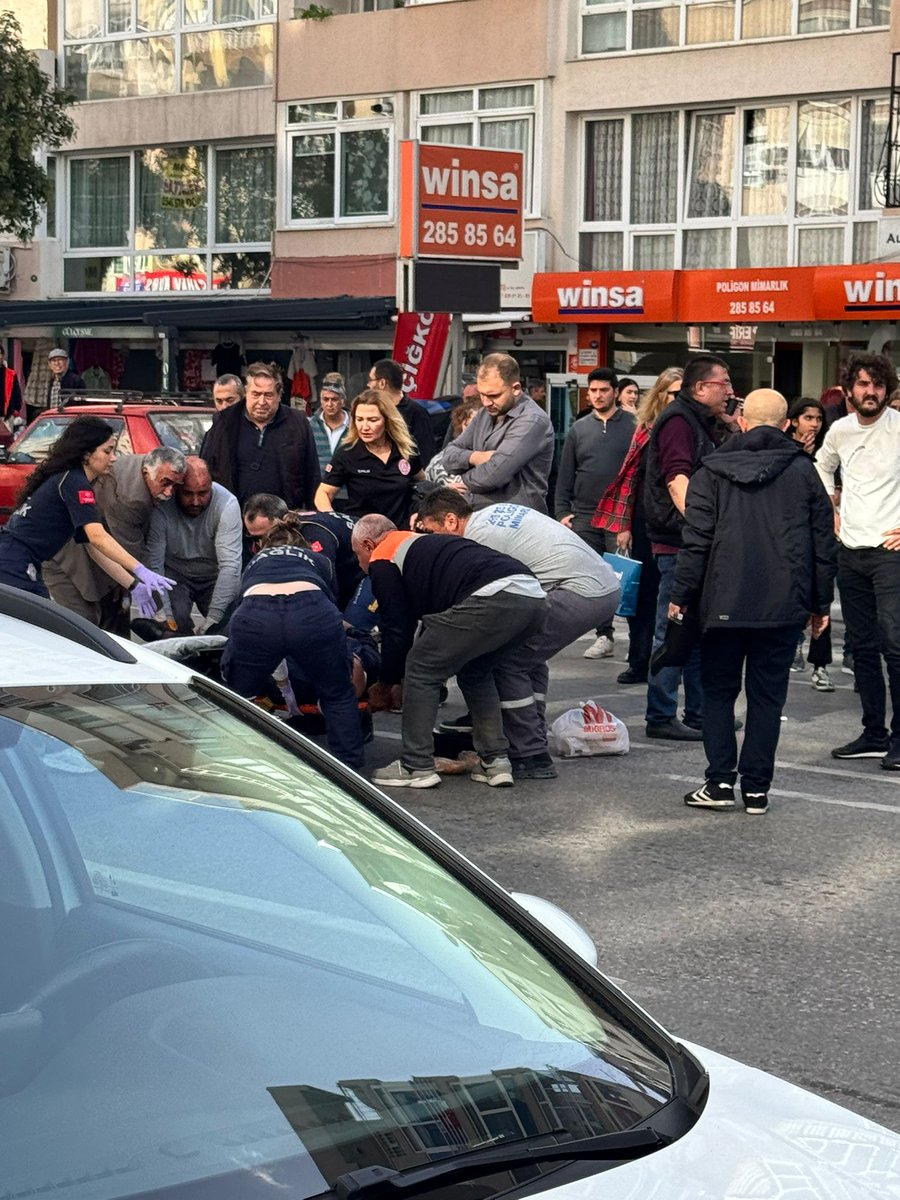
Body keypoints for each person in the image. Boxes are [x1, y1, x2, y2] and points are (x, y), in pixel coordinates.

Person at [670, 389, 837, 814]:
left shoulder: (711, 470)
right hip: (784, 605)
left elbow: (696, 541)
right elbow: (822, 545)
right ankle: (758, 789)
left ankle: (720, 783)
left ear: (743, 421)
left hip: (721, 601)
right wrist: (820, 606)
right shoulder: (804, 472)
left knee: (718, 694)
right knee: (768, 699)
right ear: (786, 425)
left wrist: (681, 596)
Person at [416, 490, 620, 780]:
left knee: (507, 661)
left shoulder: (477, 540)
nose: (436, 544)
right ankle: (530, 736)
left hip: (578, 591)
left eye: (434, 533)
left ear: (451, 521)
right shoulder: (492, 514)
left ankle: (529, 754)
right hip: (602, 586)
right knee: (530, 657)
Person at [353, 514, 547, 789]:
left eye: (357, 554)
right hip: (533, 597)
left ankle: (416, 765)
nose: (360, 564)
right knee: (476, 671)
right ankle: (495, 761)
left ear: (368, 544)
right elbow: (431, 625)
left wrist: (386, 683)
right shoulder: (423, 546)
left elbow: (398, 628)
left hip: (492, 596)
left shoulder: (383, 557)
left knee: (421, 669)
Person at [221, 514, 364, 771]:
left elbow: (241, 600)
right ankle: (350, 770)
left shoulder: (254, 560)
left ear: (265, 546)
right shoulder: (319, 559)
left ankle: (233, 762)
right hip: (311, 611)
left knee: (236, 693)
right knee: (337, 693)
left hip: (256, 614)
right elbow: (331, 603)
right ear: (302, 545)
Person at [642, 353, 733, 741]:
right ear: (701, 388)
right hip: (679, 543)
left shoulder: (701, 420)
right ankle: (661, 714)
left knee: (697, 631)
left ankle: (699, 712)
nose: (730, 391)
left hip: (690, 542)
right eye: (723, 383)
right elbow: (677, 480)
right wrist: (700, 526)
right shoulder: (679, 420)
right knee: (673, 629)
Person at [816, 353, 900, 769]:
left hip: (891, 553)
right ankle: (873, 733)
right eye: (863, 385)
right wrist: (829, 505)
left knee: (896, 645)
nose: (871, 392)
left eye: (878, 385)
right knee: (862, 649)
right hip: (850, 550)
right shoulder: (840, 430)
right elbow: (820, 466)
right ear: (849, 390)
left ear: (888, 389)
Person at [0, 415, 173, 613]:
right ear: (86, 454)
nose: (114, 458)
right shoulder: (75, 482)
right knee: (37, 629)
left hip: (19, 558)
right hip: (13, 561)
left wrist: (133, 585)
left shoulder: (70, 478)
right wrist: (140, 570)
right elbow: (98, 537)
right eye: (107, 451)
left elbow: (93, 547)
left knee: (43, 627)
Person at [592, 368, 682, 684]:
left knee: (673, 598)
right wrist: (624, 524)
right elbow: (630, 480)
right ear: (660, 395)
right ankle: (639, 661)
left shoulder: (689, 428)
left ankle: (669, 664)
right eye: (672, 393)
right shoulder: (645, 428)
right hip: (644, 523)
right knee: (641, 596)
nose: (678, 400)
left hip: (679, 526)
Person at [44, 446, 187, 631]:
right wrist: (160, 609)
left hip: (99, 542)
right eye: (165, 483)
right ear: (146, 472)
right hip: (69, 548)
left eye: (175, 486)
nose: (169, 493)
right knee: (85, 622)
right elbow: (131, 551)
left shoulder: (151, 464)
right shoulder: (130, 498)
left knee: (116, 611)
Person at [554, 366, 636, 660]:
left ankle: (637, 643)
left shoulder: (633, 425)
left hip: (620, 517)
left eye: (603, 390)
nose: (598, 395)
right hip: (585, 516)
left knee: (625, 580)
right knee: (594, 577)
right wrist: (563, 511)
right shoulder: (579, 429)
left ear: (615, 391)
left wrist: (632, 517)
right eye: (593, 390)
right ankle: (605, 636)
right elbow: (564, 474)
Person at [441, 353, 554, 513]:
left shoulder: (532, 420)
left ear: (516, 389)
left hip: (517, 519)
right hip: (478, 514)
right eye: (482, 394)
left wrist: (463, 478)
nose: (486, 402)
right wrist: (477, 457)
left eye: (494, 395)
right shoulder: (484, 413)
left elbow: (492, 476)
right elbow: (448, 456)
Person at [201, 360, 320, 508]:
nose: (261, 402)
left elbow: (312, 474)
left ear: (279, 395)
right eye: (256, 394)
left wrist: (313, 517)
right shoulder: (225, 422)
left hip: (284, 519)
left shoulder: (298, 423)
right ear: (246, 393)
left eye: (268, 395)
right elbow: (206, 469)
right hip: (234, 517)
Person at [146, 457, 242, 634]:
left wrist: (213, 619)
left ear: (211, 486)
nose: (196, 502)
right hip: (175, 575)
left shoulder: (227, 504)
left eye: (203, 493)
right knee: (174, 624)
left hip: (214, 576)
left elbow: (230, 567)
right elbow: (154, 562)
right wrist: (166, 613)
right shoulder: (162, 504)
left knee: (229, 626)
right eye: (188, 493)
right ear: (177, 488)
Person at [315, 389, 424, 528]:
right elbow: (323, 493)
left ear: (387, 420)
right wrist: (335, 522)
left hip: (401, 533)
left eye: (372, 420)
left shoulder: (406, 448)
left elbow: (422, 483)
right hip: (364, 536)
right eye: (359, 419)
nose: (364, 427)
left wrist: (421, 511)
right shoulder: (348, 452)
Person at [787, 396, 833, 690]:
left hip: (825, 532)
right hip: (795, 534)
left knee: (822, 596)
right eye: (808, 418)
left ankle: (821, 665)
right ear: (793, 420)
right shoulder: (787, 451)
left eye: (817, 419)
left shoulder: (827, 452)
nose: (814, 424)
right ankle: (794, 646)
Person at [368, 359, 436, 468]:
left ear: (382, 383)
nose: (369, 385)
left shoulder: (417, 413)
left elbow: (426, 453)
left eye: (371, 380)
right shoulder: (371, 410)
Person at [424, 395, 481, 488]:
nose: (472, 431)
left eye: (479, 426)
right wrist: (444, 490)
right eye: (467, 425)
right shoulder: (440, 460)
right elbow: (425, 489)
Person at [309, 377, 350, 477]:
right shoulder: (310, 425)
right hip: (317, 487)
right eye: (326, 399)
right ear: (321, 401)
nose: (329, 404)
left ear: (342, 401)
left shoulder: (355, 426)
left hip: (347, 488)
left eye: (334, 399)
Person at [39, 348, 85, 422]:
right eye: (54, 361)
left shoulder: (76, 380)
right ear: (50, 364)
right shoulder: (51, 381)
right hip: (53, 421)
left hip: (70, 421)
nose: (57, 363)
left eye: (60, 360)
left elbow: (82, 404)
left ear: (67, 362)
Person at [0, 343, 23, 427]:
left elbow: (17, 394)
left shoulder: (11, 374)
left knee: (7, 439)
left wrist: (15, 410)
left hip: (7, 417)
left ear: (3, 356)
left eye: (0, 353)